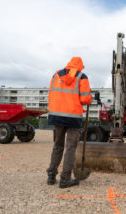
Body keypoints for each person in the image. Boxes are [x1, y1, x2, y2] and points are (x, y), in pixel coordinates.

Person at [47, 57, 92, 188]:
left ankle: (51, 175)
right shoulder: (81, 77)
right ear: (80, 66)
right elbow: (85, 99)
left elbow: (51, 94)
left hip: (56, 115)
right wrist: (89, 99)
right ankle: (65, 178)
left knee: (57, 146)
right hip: (72, 117)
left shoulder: (56, 75)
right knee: (70, 148)